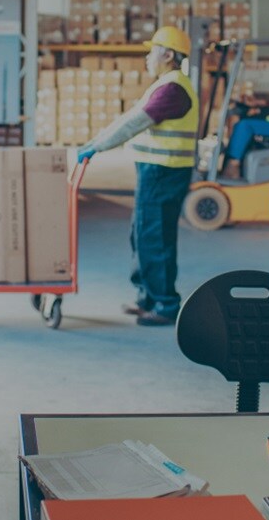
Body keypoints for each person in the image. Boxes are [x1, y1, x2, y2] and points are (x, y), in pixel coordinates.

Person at [77, 26, 199, 326]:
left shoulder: (172, 89)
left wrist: (96, 147)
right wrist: (96, 141)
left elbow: (133, 124)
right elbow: (128, 119)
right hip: (157, 171)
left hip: (164, 172)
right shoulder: (165, 84)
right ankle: (147, 297)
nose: (147, 57)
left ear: (168, 55)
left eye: (152, 50)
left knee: (153, 237)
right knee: (142, 234)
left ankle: (165, 305)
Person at [221, 89, 269, 179]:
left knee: (245, 126)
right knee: (244, 123)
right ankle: (235, 163)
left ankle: (233, 166)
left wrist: (260, 102)